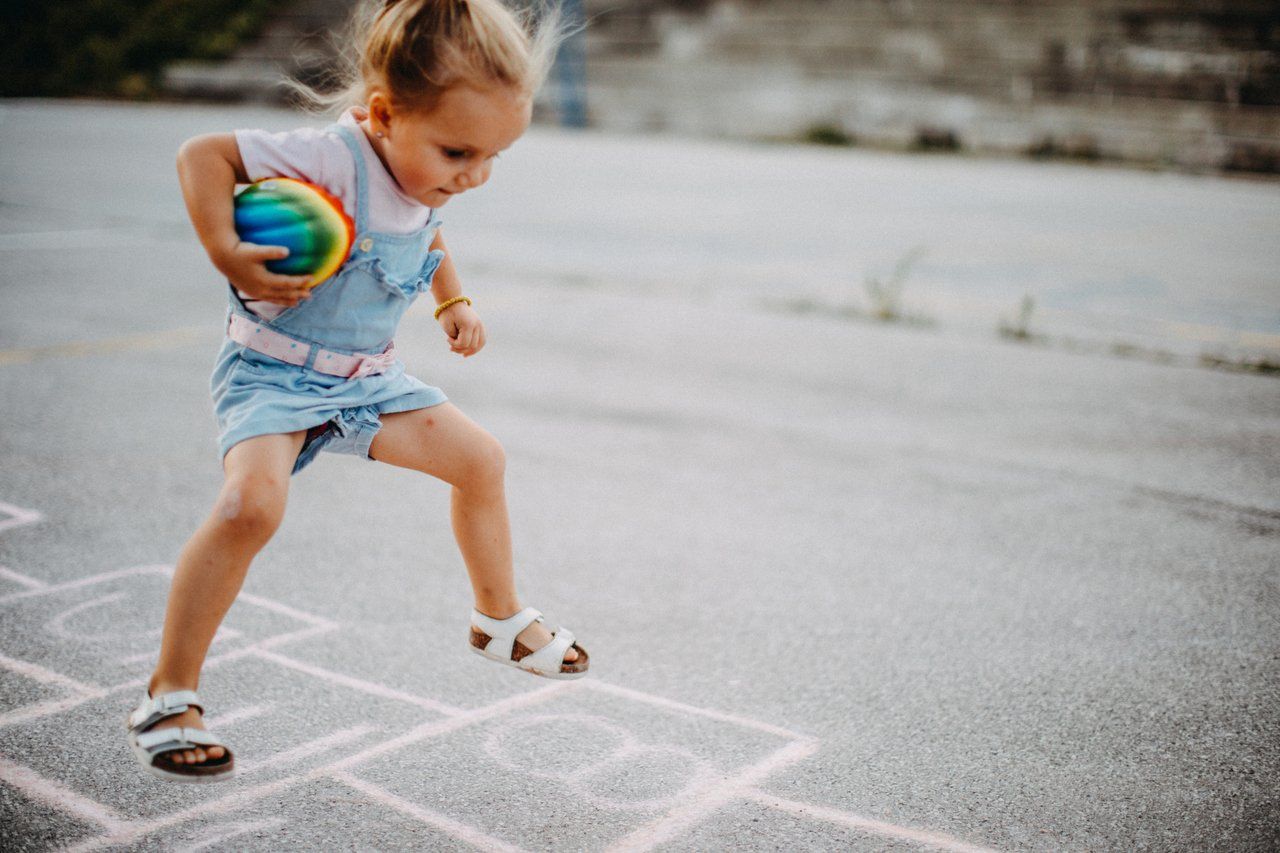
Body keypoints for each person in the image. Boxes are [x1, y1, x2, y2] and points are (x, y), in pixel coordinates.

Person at [125, 0, 587, 784]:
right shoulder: (332, 158)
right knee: (250, 508)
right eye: (458, 152)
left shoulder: (424, 174)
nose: (472, 175)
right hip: (274, 372)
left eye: (492, 157)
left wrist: (452, 298)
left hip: (366, 381)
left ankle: (498, 618)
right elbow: (201, 154)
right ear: (382, 114)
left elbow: (424, 226)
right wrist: (228, 251)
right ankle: (168, 695)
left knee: (481, 460)